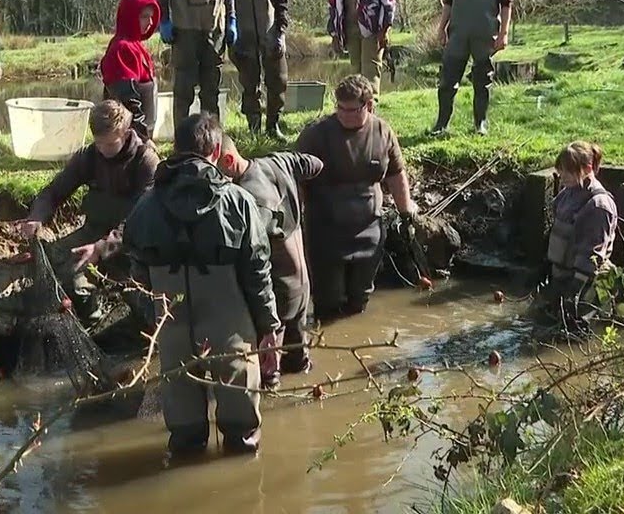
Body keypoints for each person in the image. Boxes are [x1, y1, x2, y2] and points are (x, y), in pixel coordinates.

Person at [123, 113, 280, 457]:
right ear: (215, 151)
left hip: (171, 315)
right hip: (229, 316)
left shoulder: (146, 204)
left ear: (176, 149)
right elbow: (257, 268)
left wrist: (152, 313)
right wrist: (268, 326)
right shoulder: (238, 201)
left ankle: (185, 462)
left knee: (183, 424)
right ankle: (243, 483)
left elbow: (135, 265)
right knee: (242, 421)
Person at [16, 100, 160, 329]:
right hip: (93, 232)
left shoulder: (146, 162)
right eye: (98, 143)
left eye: (110, 143)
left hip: (134, 243)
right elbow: (54, 191)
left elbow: (140, 219)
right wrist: (36, 217)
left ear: (125, 132)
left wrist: (101, 248)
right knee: (56, 262)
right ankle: (92, 313)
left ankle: (123, 309)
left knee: (140, 298)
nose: (103, 150)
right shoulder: (90, 156)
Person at [295, 75, 419, 320]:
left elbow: (396, 174)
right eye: (340, 108)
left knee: (359, 299)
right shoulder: (316, 135)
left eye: (351, 110)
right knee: (328, 301)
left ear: (369, 106)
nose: (344, 114)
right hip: (326, 232)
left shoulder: (382, 132)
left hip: (369, 229)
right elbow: (295, 179)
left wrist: (406, 211)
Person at [216, 136, 322, 388]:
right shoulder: (278, 161)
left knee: (268, 367)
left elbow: (248, 255)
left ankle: (274, 404)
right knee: (298, 359)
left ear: (229, 161)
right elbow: (315, 164)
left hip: (279, 289)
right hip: (302, 284)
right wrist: (300, 198)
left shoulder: (248, 199)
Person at [430, 0, 514, 136]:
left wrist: (504, 33)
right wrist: (441, 29)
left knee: (482, 80)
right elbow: (448, 2)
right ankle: (441, 124)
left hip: (485, 33)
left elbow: (506, 5)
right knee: (448, 80)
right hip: (458, 33)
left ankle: (480, 124)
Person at [530, 141, 619, 334]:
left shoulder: (598, 205)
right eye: (560, 171)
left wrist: (575, 290)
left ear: (587, 169)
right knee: (544, 324)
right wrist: (547, 265)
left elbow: (593, 253)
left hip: (586, 281)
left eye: (567, 172)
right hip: (562, 274)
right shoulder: (566, 194)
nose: (561, 176)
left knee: (575, 333)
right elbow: (557, 233)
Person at [229, 0, 291, 140]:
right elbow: (227, 5)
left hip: (270, 34)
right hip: (244, 37)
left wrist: (280, 33)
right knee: (249, 85)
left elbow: (282, 6)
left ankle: (273, 126)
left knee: (277, 82)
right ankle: (254, 129)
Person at [100, 0, 161, 141]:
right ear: (130, 16)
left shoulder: (137, 46)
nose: (150, 22)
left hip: (140, 135)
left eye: (152, 17)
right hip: (127, 137)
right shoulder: (121, 49)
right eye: (144, 17)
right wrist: (143, 139)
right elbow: (128, 104)